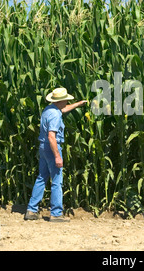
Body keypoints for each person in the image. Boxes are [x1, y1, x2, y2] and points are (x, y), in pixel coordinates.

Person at [24, 87, 87, 222]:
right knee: (57, 181)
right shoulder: (55, 115)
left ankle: (31, 210)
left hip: (43, 147)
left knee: (42, 177)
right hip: (52, 147)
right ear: (62, 100)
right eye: (66, 100)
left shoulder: (49, 109)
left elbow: (63, 110)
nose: (66, 102)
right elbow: (52, 136)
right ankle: (56, 213)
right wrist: (57, 156)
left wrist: (78, 104)